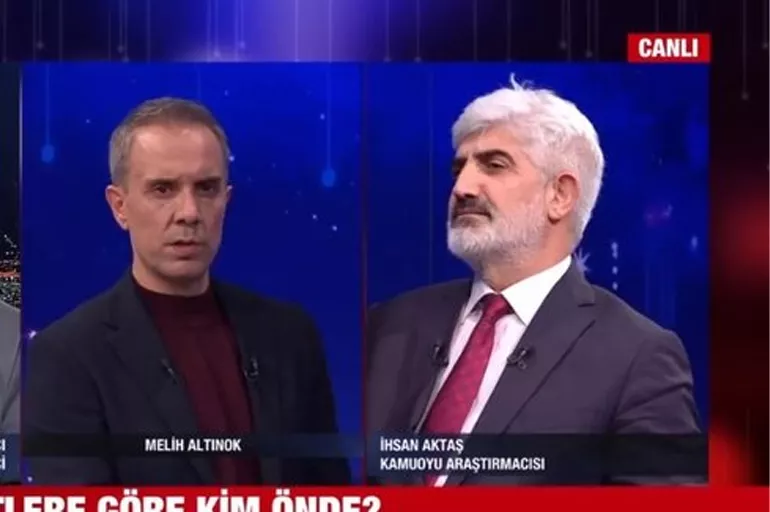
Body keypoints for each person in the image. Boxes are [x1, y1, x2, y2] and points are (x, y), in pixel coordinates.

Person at [365, 77, 701, 485]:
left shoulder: (639, 355)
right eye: (458, 169)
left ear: (559, 195)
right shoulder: (388, 323)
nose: (461, 188)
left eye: (494, 165)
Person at [24, 97, 350, 486]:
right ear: (119, 206)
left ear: (226, 200)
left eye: (206, 188)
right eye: (163, 189)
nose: (189, 212)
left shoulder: (290, 334)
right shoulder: (69, 355)